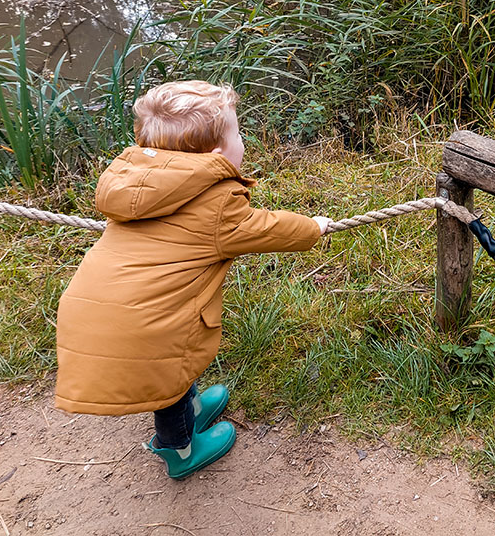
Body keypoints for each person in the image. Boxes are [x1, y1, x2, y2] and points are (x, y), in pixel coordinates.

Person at [54, 80, 331, 479]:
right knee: (166, 372)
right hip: (145, 327)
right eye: (238, 133)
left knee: (168, 361)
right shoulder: (219, 203)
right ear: (218, 153)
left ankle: (193, 408)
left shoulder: (138, 181)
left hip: (94, 308)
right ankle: (179, 448)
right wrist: (313, 227)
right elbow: (267, 228)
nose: (243, 141)